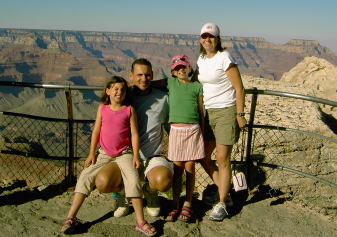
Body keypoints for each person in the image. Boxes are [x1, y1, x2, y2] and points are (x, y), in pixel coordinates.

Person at [60, 76, 156, 236]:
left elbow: (134, 133)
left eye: (123, 89)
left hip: (124, 153)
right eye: (116, 89)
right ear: (108, 91)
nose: (119, 92)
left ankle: (140, 221)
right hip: (103, 153)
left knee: (132, 180)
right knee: (85, 177)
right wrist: (91, 153)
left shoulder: (129, 110)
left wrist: (136, 156)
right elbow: (96, 131)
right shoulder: (102, 108)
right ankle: (71, 218)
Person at [93, 58, 173, 219]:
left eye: (148, 75)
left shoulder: (164, 98)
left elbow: (170, 127)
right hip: (125, 156)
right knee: (102, 183)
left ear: (153, 76)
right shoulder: (123, 97)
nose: (144, 79)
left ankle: (150, 192)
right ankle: (123, 193)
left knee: (163, 181)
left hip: (152, 156)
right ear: (131, 76)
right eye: (139, 75)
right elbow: (106, 121)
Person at [194, 22, 247, 221]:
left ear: (218, 39)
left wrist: (240, 115)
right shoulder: (201, 59)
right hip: (208, 114)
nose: (207, 40)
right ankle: (226, 193)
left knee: (223, 160)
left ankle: (222, 203)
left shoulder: (225, 58)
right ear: (200, 39)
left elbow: (239, 88)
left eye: (211, 36)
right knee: (204, 157)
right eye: (204, 36)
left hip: (226, 112)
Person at [151, 54, 205, 223]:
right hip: (176, 130)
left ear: (190, 68)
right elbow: (150, 84)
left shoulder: (197, 87)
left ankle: (187, 203)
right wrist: (132, 85)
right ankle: (175, 204)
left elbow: (201, 111)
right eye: (177, 68)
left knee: (190, 168)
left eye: (184, 66)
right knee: (177, 170)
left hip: (193, 129)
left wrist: (202, 132)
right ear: (173, 72)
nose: (181, 70)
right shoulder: (170, 83)